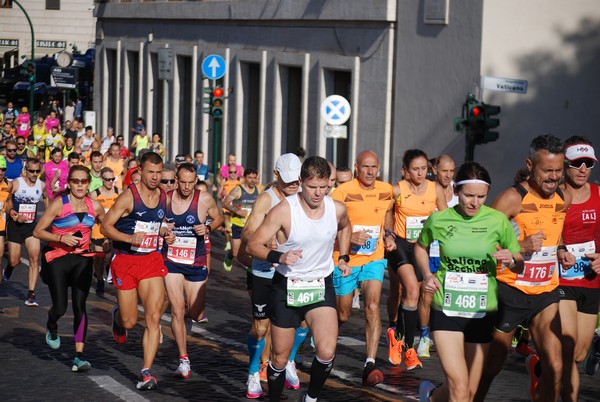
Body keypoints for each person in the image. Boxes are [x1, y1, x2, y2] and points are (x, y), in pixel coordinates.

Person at [475, 134, 575, 402]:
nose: (554, 177)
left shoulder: (563, 197)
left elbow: (557, 232)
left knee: (555, 367)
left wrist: (562, 250)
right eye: (547, 171)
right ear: (530, 165)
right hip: (510, 291)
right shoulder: (511, 198)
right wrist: (520, 246)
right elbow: (482, 244)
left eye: (558, 170)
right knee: (492, 367)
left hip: (545, 292)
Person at [415, 161, 524, 402]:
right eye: (468, 196)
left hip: (481, 312)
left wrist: (511, 260)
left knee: (469, 393)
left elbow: (519, 264)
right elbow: (420, 248)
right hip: (447, 308)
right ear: (456, 191)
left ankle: (431, 398)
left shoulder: (498, 221)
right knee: (460, 389)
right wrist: (428, 275)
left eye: (481, 196)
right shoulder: (440, 220)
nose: (475, 202)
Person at [247, 156, 352, 402]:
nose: (318, 193)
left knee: (326, 350)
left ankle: (311, 398)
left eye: (323, 187)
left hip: (320, 285)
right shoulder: (285, 210)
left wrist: (344, 257)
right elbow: (253, 245)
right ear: (302, 182)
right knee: (280, 358)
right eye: (312, 187)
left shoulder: (336, 208)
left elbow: (345, 227)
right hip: (287, 287)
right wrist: (279, 257)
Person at [100, 151, 176, 391]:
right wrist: (128, 237)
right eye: (150, 173)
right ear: (140, 172)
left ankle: (146, 371)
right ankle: (118, 318)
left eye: (158, 173)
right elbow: (105, 227)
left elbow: (156, 222)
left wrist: (164, 232)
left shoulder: (163, 196)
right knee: (131, 321)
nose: (155, 177)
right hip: (126, 260)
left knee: (154, 318)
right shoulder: (128, 197)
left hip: (151, 260)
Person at [237, 153, 305, 398]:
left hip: (295, 270)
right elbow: (247, 232)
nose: (293, 186)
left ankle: (289, 361)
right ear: (276, 176)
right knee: (261, 327)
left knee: (303, 320)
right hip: (265, 269)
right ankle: (254, 371)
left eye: (297, 181)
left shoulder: (304, 196)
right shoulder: (266, 200)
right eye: (288, 182)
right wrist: (267, 241)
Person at [330, 150, 395, 386]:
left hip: (374, 258)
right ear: (357, 168)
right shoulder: (343, 192)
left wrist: (388, 234)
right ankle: (326, 340)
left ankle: (370, 362)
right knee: (343, 314)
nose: (370, 171)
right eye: (365, 167)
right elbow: (327, 223)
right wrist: (347, 237)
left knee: (373, 305)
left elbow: (388, 211)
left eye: (374, 167)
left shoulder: (386, 190)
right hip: (345, 260)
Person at [33, 165, 105, 372]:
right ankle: (52, 325)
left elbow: (108, 227)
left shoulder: (95, 206)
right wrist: (60, 237)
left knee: (80, 306)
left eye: (84, 181)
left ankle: (79, 356)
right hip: (58, 258)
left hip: (82, 259)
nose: (80, 185)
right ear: (69, 183)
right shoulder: (59, 205)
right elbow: (38, 231)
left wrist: (108, 242)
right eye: (75, 181)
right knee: (61, 307)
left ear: (89, 182)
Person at [385, 149, 447, 370]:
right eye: (415, 169)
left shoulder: (435, 189)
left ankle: (397, 335)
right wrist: (388, 233)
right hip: (399, 245)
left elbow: (444, 218)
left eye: (423, 169)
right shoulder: (397, 189)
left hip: (422, 248)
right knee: (409, 289)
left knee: (417, 293)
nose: (420, 173)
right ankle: (410, 349)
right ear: (406, 170)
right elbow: (387, 211)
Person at [162, 163, 223, 379]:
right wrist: (164, 232)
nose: (187, 187)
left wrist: (207, 228)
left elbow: (219, 218)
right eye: (183, 182)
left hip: (195, 261)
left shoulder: (204, 199)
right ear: (176, 180)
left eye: (191, 182)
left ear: (195, 181)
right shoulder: (166, 199)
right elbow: (156, 222)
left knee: (196, 313)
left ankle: (189, 315)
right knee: (177, 309)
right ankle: (183, 359)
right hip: (171, 261)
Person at [557, 137, 600, 401]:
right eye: (577, 163)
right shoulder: (558, 196)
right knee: (568, 348)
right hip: (562, 280)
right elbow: (550, 233)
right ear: (565, 164)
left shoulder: (599, 194)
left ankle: (543, 373)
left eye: (588, 164)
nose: (583, 169)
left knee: (580, 354)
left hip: (591, 279)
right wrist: (560, 250)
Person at [417, 154, 459, 358]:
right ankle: (424, 337)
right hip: (430, 251)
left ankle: (447, 335)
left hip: (452, 255)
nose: (448, 175)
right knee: (427, 295)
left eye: (452, 171)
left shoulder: (461, 192)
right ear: (435, 169)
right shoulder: (428, 190)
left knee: (450, 297)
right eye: (445, 171)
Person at [4, 158, 49, 306]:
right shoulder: (16, 183)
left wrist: (49, 216)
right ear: (25, 170)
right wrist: (12, 212)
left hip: (31, 227)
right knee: (14, 260)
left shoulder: (42, 185)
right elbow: (8, 199)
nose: (34, 174)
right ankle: (10, 267)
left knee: (35, 258)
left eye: (37, 171)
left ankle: (31, 294)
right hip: (15, 226)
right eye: (32, 171)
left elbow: (47, 199)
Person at [90, 167, 120, 295]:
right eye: (107, 179)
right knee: (99, 257)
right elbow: (90, 212)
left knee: (111, 256)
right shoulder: (94, 194)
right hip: (99, 229)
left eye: (112, 179)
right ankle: (100, 280)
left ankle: (108, 269)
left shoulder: (119, 192)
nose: (110, 182)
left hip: (114, 229)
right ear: (102, 179)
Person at [223, 168, 260, 270]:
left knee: (251, 250)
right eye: (249, 178)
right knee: (235, 252)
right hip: (238, 224)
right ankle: (229, 255)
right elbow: (225, 203)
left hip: (252, 226)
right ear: (244, 178)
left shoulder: (259, 190)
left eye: (254, 178)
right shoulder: (238, 190)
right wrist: (237, 211)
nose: (252, 180)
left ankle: (251, 271)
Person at [0, 157, 13, 285]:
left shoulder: (8, 185)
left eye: (3, 169)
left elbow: (9, 203)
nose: (0, 172)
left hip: (0, 227)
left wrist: (12, 212)